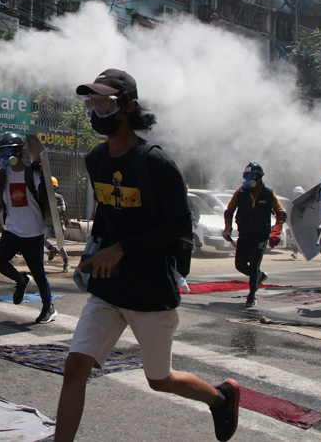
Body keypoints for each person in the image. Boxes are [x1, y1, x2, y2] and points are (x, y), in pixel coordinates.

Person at [56, 69, 240, 442]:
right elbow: (107, 213)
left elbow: (179, 226)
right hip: (109, 288)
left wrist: (121, 248)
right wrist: (94, 250)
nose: (95, 111)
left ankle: (220, 398)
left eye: (104, 102)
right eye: (91, 102)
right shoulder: (96, 159)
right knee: (75, 368)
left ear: (128, 106)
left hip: (151, 290)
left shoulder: (155, 162)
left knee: (159, 379)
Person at [0, 132, 57, 324]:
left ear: (19, 152)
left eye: (7, 151)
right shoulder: (1, 174)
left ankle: (48, 307)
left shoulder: (31, 174)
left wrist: (43, 171)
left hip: (33, 232)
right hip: (12, 229)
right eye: (1, 153)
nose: (3, 157)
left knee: (39, 273)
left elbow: (46, 194)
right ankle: (21, 280)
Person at [223, 162, 285, 308]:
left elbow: (281, 213)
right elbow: (229, 211)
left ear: (259, 178)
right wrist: (228, 227)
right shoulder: (241, 192)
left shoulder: (268, 194)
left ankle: (251, 295)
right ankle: (259, 276)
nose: (248, 179)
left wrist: (276, 232)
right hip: (244, 235)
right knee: (240, 265)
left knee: (254, 264)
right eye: (246, 176)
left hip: (260, 236)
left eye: (251, 176)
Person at [43, 176, 70, 272]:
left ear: (55, 187)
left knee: (60, 246)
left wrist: (53, 208)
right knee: (41, 239)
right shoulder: (43, 198)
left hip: (58, 224)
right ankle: (51, 249)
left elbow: (63, 209)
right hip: (49, 224)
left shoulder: (59, 197)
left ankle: (66, 262)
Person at [289, 185, 305, 259]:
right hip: (296, 222)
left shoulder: (304, 202)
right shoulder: (293, 202)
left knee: (299, 238)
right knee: (296, 238)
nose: (297, 196)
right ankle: (296, 251)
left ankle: (298, 251)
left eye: (298, 194)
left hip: (301, 222)